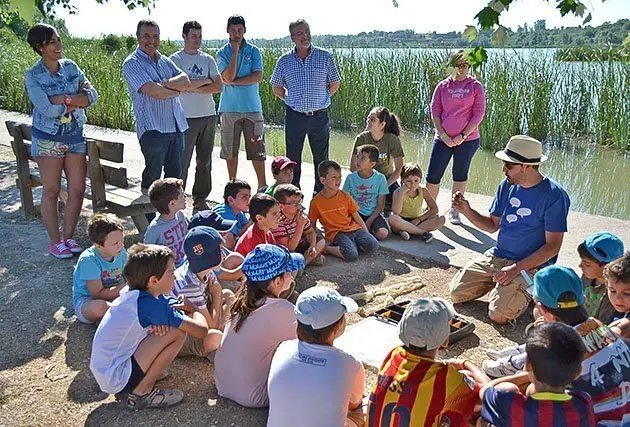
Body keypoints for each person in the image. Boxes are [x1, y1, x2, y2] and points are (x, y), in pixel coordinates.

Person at [481, 265, 630, 425]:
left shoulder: (560, 347)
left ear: (543, 310)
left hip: (594, 420)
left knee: (529, 390)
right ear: (583, 300)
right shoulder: (602, 328)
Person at [449, 135, 570, 324]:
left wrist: (515, 269)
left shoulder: (554, 195)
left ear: (527, 166)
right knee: (456, 293)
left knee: (499, 315)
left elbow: (552, 247)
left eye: (509, 165)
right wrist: (467, 210)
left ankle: (527, 288)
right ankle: (504, 286)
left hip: (529, 265)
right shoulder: (506, 185)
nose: (503, 169)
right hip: (499, 255)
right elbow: (491, 225)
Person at [89, 244, 208, 409]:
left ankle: (143, 377)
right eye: (171, 272)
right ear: (153, 280)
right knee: (177, 332)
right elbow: (201, 331)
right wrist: (193, 308)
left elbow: (170, 304)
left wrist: (175, 311)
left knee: (169, 327)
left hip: (108, 370)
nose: (174, 276)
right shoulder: (150, 306)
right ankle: (141, 393)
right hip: (115, 376)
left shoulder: (136, 292)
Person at [25, 23, 98, 258]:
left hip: (75, 135)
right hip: (48, 138)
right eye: (53, 42)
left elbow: (92, 96)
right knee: (51, 190)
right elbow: (46, 109)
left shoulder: (71, 68)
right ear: (40, 47)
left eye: (58, 40)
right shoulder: (33, 75)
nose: (59, 45)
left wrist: (64, 98)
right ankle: (55, 241)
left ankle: (68, 238)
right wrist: (75, 100)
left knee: (77, 190)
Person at [367, 298, 490, 427]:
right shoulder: (446, 378)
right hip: (457, 385)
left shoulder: (393, 355)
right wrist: (466, 364)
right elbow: (489, 395)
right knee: (466, 397)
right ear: (445, 341)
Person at [214, 244, 304, 407]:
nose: (291, 277)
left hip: (222, 385)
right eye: (289, 272)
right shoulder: (284, 310)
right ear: (277, 282)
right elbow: (308, 344)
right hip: (254, 396)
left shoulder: (240, 302)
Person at [267, 287, 365, 427]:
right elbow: (354, 405)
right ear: (337, 327)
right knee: (364, 409)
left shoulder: (283, 348)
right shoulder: (350, 364)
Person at [270, 19, 341, 194]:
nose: (305, 36)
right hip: (295, 116)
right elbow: (276, 87)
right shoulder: (285, 60)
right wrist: (291, 100)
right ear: (292, 37)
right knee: (293, 159)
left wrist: (322, 98)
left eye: (307, 31)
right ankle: (294, 195)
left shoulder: (325, 56)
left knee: (321, 160)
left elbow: (334, 83)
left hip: (319, 116)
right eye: (300, 33)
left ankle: (320, 195)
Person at [478, 323, 595, 427]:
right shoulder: (583, 402)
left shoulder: (509, 403)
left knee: (482, 421)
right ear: (578, 372)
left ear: (527, 363)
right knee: (530, 389)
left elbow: (486, 390)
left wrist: (466, 363)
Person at [122, 20, 189, 191]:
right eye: (146, 36)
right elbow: (152, 90)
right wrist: (175, 91)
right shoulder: (132, 63)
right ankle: (147, 216)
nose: (151, 40)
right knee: (153, 177)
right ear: (138, 37)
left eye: (155, 36)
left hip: (176, 127)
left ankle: (170, 217)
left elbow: (185, 80)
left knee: (174, 179)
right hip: (153, 130)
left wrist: (165, 83)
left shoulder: (165, 61)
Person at [427, 50, 486, 225]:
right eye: (457, 65)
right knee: (432, 176)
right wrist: (444, 135)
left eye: (465, 65)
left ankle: (455, 210)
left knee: (459, 175)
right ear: (451, 66)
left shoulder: (475, 86)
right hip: (443, 138)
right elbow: (435, 112)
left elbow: (478, 114)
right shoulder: (443, 86)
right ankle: (430, 209)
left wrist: (463, 135)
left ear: (469, 66)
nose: (461, 69)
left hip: (467, 140)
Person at [170, 21, 223, 213]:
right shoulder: (175, 60)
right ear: (184, 36)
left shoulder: (207, 59)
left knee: (205, 160)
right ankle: (177, 199)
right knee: (182, 161)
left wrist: (192, 85)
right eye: (193, 36)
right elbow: (177, 86)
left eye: (200, 36)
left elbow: (218, 86)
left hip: (208, 115)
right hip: (185, 117)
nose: (197, 40)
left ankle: (200, 199)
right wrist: (204, 81)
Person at [215, 15, 266, 190]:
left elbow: (257, 76)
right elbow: (227, 76)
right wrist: (235, 52)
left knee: (257, 151)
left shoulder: (254, 51)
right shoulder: (222, 53)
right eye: (233, 30)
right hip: (229, 109)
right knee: (230, 150)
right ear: (227, 30)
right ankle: (234, 186)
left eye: (240, 30)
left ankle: (262, 186)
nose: (237, 33)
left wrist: (234, 82)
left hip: (252, 108)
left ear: (245, 30)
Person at [173, 226, 234, 358]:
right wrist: (216, 294)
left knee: (229, 294)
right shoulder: (189, 286)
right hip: (186, 333)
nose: (224, 255)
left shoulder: (204, 269)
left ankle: (225, 338)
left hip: (201, 315)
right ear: (209, 257)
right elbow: (208, 326)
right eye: (220, 251)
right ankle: (217, 347)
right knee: (214, 336)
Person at [309, 160, 379, 262]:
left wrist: (366, 233)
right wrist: (315, 243)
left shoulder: (346, 196)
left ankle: (351, 245)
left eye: (340, 177)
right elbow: (312, 224)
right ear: (323, 180)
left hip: (353, 229)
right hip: (337, 233)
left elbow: (357, 217)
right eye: (334, 177)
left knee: (373, 245)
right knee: (352, 255)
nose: (338, 180)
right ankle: (326, 248)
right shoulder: (316, 202)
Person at [72, 213, 127, 324]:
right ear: (98, 245)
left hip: (113, 295)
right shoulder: (88, 260)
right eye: (115, 243)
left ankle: (112, 317)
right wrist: (126, 288)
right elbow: (97, 294)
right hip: (88, 301)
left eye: (122, 240)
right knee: (101, 307)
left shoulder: (121, 252)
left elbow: (128, 275)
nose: (120, 245)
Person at [350, 107, 404, 211]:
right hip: (365, 179)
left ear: (382, 125)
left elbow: (399, 168)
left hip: (387, 180)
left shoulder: (392, 139)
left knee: (398, 198)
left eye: (372, 119)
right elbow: (353, 166)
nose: (368, 121)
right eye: (368, 118)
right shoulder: (361, 138)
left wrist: (384, 186)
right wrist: (367, 182)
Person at [388, 162, 445, 243]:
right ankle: (422, 232)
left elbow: (434, 209)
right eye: (409, 181)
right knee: (393, 219)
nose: (413, 184)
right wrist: (401, 193)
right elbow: (396, 212)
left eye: (416, 180)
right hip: (402, 221)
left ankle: (408, 231)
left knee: (440, 219)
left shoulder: (423, 191)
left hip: (417, 220)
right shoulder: (397, 192)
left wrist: (419, 219)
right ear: (403, 180)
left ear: (420, 179)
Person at [343, 144, 390, 241]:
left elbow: (381, 206)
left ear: (372, 164)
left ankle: (368, 232)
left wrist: (369, 221)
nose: (358, 160)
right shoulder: (350, 178)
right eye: (358, 157)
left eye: (362, 158)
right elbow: (345, 200)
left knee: (383, 234)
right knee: (345, 229)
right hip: (356, 213)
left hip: (374, 214)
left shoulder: (380, 178)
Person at [272, 184, 326, 266]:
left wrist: (312, 245)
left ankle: (304, 263)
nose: (299, 206)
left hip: (299, 243)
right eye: (294, 203)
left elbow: (310, 231)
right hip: (287, 249)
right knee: (291, 255)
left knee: (321, 240)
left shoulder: (299, 213)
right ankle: (302, 262)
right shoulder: (277, 221)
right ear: (281, 206)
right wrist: (300, 225)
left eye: (299, 201)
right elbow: (290, 247)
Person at [187, 210, 245, 284]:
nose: (225, 232)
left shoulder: (215, 245)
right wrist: (249, 262)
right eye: (220, 231)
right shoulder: (204, 257)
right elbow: (231, 275)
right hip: (212, 285)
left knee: (234, 258)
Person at [576, 232, 625, 316]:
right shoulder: (587, 276)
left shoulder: (615, 290)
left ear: (607, 266)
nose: (580, 266)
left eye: (587, 264)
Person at [143, 178, 188, 268]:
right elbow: (146, 255)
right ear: (172, 204)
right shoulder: (155, 229)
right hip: (168, 270)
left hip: (185, 264)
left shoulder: (180, 216)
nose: (185, 197)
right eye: (182, 195)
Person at [597, 252, 630, 338]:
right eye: (612, 291)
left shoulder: (625, 324)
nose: (618, 299)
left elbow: (620, 328)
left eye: (627, 293)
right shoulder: (619, 310)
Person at [212, 179, 251, 250]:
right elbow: (229, 244)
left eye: (249, 197)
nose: (248, 200)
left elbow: (247, 225)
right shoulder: (225, 214)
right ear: (230, 200)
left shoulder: (238, 211)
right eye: (244, 197)